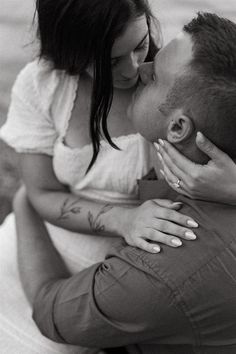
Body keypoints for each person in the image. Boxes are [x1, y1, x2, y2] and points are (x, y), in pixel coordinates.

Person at [14, 12, 236, 354]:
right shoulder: (44, 85)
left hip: (113, 282)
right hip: (48, 240)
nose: (136, 71)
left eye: (142, 47)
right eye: (111, 60)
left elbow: (53, 314)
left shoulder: (178, 99)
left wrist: (23, 202)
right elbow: (39, 190)